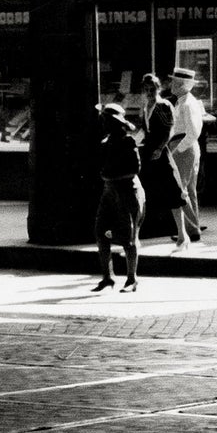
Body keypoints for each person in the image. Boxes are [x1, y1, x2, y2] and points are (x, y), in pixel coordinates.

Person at [93, 104, 144, 293]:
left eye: (107, 120)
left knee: (129, 237)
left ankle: (132, 279)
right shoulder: (104, 143)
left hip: (128, 191)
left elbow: (135, 168)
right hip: (109, 192)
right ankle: (107, 277)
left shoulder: (128, 141)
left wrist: (111, 175)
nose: (104, 124)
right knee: (101, 232)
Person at [137, 73, 189, 249]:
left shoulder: (163, 106)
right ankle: (137, 235)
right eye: (146, 90)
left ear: (158, 89)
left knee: (173, 193)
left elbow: (169, 130)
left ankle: (182, 235)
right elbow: (144, 130)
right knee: (143, 194)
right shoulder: (145, 107)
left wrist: (160, 148)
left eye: (152, 89)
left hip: (160, 154)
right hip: (147, 153)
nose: (149, 92)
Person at [168, 67, 206, 244]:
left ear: (183, 85)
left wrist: (177, 150)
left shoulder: (187, 104)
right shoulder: (183, 102)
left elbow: (192, 132)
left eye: (175, 82)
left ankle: (190, 229)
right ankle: (193, 228)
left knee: (179, 190)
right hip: (186, 147)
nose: (171, 84)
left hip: (184, 147)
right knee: (189, 191)